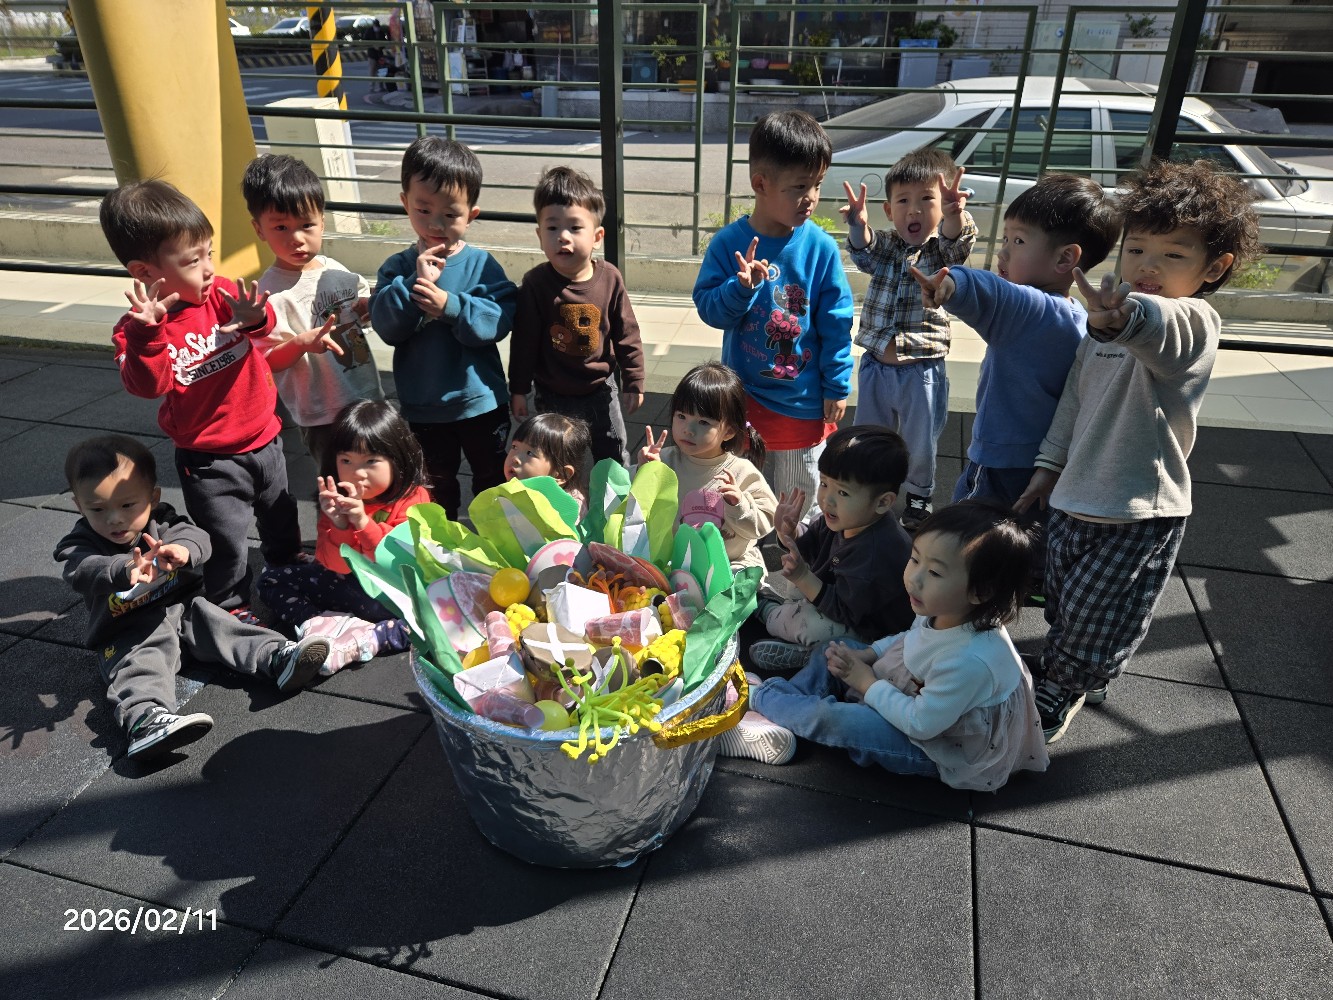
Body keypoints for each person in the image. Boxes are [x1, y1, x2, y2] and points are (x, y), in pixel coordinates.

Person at [1015, 159, 1262, 742]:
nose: (1148, 266)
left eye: (1173, 254)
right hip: (1076, 494)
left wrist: (1123, 319)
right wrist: (1048, 466)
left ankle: (1068, 683)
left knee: (1102, 609)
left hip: (1139, 508)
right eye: (1137, 250)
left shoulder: (1194, 322)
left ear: (1214, 268)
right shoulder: (1098, 331)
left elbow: (1161, 327)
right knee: (1066, 601)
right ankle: (1077, 661)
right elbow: (1074, 402)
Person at [719, 501, 1050, 787]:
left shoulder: (971, 661)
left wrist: (867, 682)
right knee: (836, 647)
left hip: (939, 747)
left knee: (843, 721)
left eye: (935, 573)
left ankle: (755, 699)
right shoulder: (946, 607)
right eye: (915, 559)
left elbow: (921, 724)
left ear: (980, 592)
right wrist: (870, 652)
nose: (914, 578)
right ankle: (782, 713)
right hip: (918, 693)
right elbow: (912, 637)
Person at [54, 435, 333, 762]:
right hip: (128, 628)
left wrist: (183, 550)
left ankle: (275, 657)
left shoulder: (163, 520)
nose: (114, 518)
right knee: (138, 666)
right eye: (98, 509)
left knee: (220, 623)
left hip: (182, 610)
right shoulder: (81, 542)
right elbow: (80, 568)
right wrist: (121, 569)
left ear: (153, 497)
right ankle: (145, 720)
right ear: (79, 505)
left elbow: (197, 536)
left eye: (128, 505)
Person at [100, 179, 303, 624]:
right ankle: (231, 605)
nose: (209, 269)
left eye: (209, 253)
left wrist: (256, 317)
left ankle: (287, 564)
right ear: (145, 272)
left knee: (281, 513)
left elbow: (263, 325)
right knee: (224, 537)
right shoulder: (135, 330)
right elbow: (147, 385)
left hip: (265, 436)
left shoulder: (220, 292)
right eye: (193, 261)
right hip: (210, 460)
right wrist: (147, 335)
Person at [910, 174, 1123, 592]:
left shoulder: (1030, 308)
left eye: (1019, 241)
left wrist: (950, 284)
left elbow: (989, 290)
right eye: (1005, 238)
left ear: (1065, 259)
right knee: (1022, 541)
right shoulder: (1080, 317)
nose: (1003, 252)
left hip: (998, 459)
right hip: (1045, 463)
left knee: (965, 542)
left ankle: (956, 606)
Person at [692, 110, 854, 521]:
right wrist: (740, 289)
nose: (811, 197)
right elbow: (709, 309)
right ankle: (742, 553)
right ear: (760, 183)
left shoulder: (821, 248)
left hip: (803, 402)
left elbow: (836, 323)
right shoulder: (729, 244)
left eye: (817, 184)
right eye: (799, 186)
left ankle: (795, 559)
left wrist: (837, 385)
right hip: (742, 402)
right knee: (738, 496)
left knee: (799, 502)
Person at [370, 136, 517, 521]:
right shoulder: (397, 268)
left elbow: (498, 321)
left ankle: (495, 539)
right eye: (423, 210)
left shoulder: (482, 265)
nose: (436, 224)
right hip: (424, 407)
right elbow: (388, 327)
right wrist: (414, 286)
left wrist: (450, 306)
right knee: (434, 488)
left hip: (482, 401)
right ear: (405, 203)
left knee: (494, 480)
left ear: (471, 214)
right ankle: (441, 543)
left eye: (451, 214)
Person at [840, 146, 978, 530]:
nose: (913, 210)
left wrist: (954, 214)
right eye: (903, 201)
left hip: (922, 372)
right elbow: (865, 251)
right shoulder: (887, 246)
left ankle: (918, 495)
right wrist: (858, 225)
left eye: (926, 200)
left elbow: (958, 242)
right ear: (889, 210)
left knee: (920, 443)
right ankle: (872, 486)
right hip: (876, 368)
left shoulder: (940, 251)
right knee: (869, 436)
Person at [259, 400, 430, 673]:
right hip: (347, 587)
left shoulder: (414, 498)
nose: (357, 473)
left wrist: (362, 522)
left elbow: (395, 563)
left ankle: (367, 639)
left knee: (431, 618)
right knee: (270, 579)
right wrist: (339, 524)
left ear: (398, 459)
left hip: (391, 595)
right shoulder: (336, 499)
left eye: (371, 461)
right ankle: (316, 624)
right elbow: (334, 565)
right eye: (346, 461)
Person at [243, 153, 384, 471]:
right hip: (322, 413)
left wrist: (370, 307)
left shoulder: (335, 271)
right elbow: (267, 360)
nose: (297, 238)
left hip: (367, 397)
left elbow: (359, 309)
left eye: (306, 225)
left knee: (379, 473)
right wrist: (302, 343)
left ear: (322, 221)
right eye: (281, 227)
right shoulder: (269, 295)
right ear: (259, 229)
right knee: (338, 480)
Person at [748, 425, 914, 673]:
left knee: (808, 623)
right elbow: (814, 542)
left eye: (843, 492)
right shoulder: (849, 518)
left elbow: (843, 610)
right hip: (837, 598)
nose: (827, 499)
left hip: (869, 633)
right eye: (824, 483)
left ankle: (770, 613)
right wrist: (791, 533)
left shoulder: (876, 553)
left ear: (882, 502)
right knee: (797, 575)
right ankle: (810, 643)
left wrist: (803, 578)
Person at [508, 166, 645, 466]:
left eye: (574, 227)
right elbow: (524, 343)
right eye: (552, 228)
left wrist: (634, 379)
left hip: (600, 389)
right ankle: (562, 495)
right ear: (539, 235)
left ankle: (613, 496)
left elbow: (627, 333)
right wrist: (518, 389)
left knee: (612, 453)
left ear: (597, 236)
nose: (562, 237)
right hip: (552, 393)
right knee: (553, 458)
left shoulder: (609, 278)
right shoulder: (536, 284)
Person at [637, 362, 777, 574]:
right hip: (672, 562)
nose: (688, 429)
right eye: (681, 416)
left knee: (745, 582)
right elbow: (633, 506)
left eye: (703, 422)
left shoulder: (741, 472)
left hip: (729, 563)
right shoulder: (663, 461)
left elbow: (765, 523)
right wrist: (644, 471)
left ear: (729, 432)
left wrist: (739, 504)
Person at [504, 412, 592, 519]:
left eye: (530, 453)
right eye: (514, 447)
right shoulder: (511, 491)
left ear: (560, 474)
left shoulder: (568, 510)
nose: (515, 458)